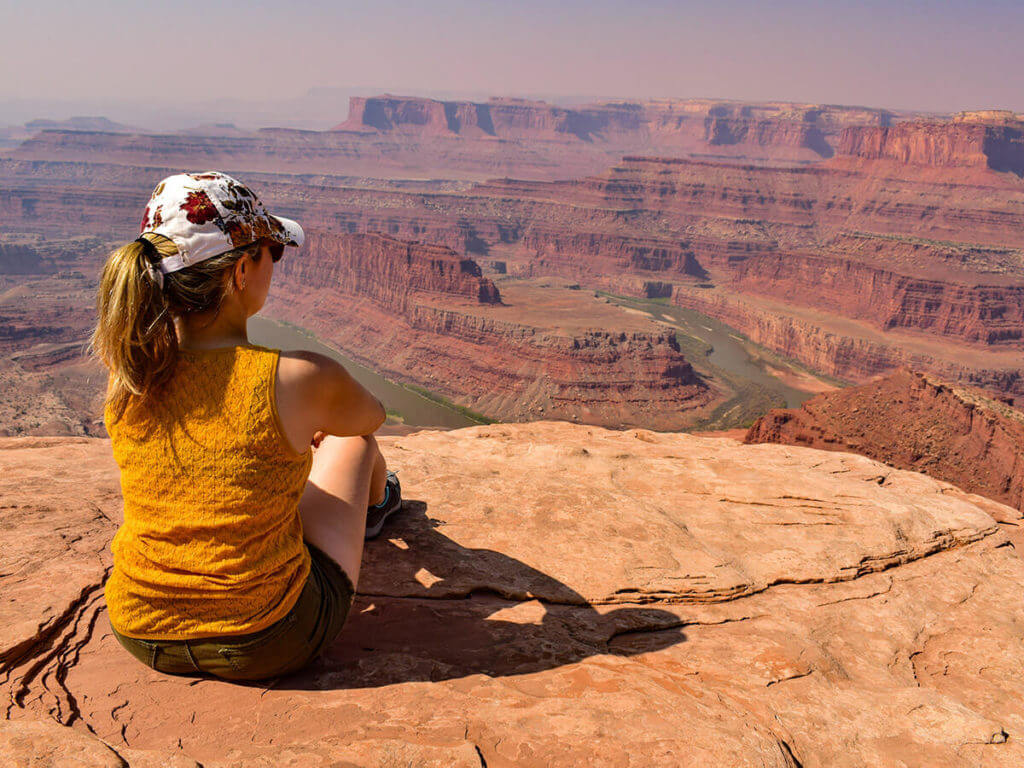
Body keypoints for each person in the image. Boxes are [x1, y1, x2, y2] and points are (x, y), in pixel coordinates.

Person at [91, 171, 402, 681]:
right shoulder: (300, 377)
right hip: (268, 639)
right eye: (271, 253)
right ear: (240, 271)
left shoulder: (131, 376)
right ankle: (380, 504)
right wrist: (308, 423)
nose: (275, 267)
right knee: (351, 442)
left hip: (140, 631)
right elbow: (371, 416)